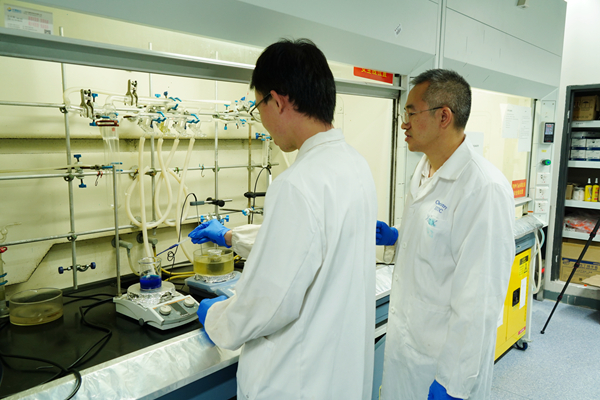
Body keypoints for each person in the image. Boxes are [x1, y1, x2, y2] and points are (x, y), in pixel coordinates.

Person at [189, 38, 378, 400]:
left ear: (276, 101)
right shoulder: (355, 165)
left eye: (258, 106)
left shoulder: (297, 183)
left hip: (295, 381)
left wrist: (217, 318)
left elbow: (267, 303)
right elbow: (308, 247)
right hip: (339, 375)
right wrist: (231, 237)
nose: (262, 121)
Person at [376, 69, 515, 400]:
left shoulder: (484, 188)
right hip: (408, 349)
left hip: (442, 365)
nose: (404, 124)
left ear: (443, 117)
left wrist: (453, 383)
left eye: (411, 113)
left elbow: (480, 300)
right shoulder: (424, 170)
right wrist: (398, 237)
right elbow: (439, 241)